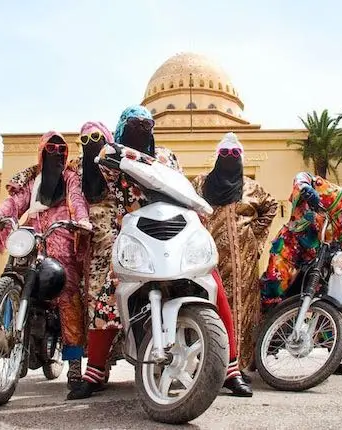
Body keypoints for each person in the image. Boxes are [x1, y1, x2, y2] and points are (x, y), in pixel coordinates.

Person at [67, 106, 252, 399]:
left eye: (148, 123)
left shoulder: (167, 157)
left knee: (212, 285)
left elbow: (179, 187)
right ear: (121, 127)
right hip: (136, 231)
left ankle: (230, 369)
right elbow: (93, 173)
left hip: (176, 229)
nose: (142, 128)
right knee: (109, 295)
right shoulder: (109, 157)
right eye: (135, 123)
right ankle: (96, 372)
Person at [0, 131, 92, 388]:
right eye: (50, 150)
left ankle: (74, 366)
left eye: (61, 151)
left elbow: (77, 201)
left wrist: (82, 221)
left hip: (62, 245)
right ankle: (7, 340)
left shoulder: (70, 179)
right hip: (32, 244)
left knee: (68, 297)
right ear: (42, 153)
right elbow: (14, 204)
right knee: (11, 280)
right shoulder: (32, 183)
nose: (56, 154)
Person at [259, 173, 342, 376]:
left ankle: (333, 355)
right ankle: (261, 343)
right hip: (294, 247)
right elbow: (303, 176)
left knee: (329, 303)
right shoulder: (338, 197)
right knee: (273, 288)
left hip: (325, 263)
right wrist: (305, 188)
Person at [191, 132, 278, 381]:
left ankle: (237, 366)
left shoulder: (251, 186)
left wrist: (254, 234)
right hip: (209, 258)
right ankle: (209, 365)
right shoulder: (201, 183)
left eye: (235, 154)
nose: (230, 158)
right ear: (217, 157)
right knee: (209, 307)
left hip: (244, 259)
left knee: (242, 309)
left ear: (241, 158)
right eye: (225, 153)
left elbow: (271, 206)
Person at [67, 121, 124, 385]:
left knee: (114, 303)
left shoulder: (117, 162)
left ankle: (106, 363)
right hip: (85, 247)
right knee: (86, 304)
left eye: (97, 137)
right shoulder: (77, 169)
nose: (91, 143)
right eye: (85, 140)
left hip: (117, 245)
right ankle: (93, 367)